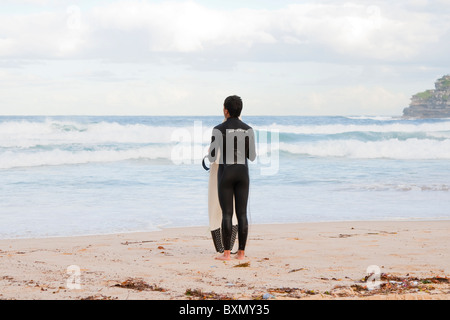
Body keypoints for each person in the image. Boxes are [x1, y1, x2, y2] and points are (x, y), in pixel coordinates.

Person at [208, 95, 256, 260]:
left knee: (227, 213)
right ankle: (241, 253)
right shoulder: (248, 129)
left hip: (226, 174)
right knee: (242, 213)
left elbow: (212, 157)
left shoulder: (218, 129)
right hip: (243, 174)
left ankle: (227, 254)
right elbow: (252, 156)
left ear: (226, 110)